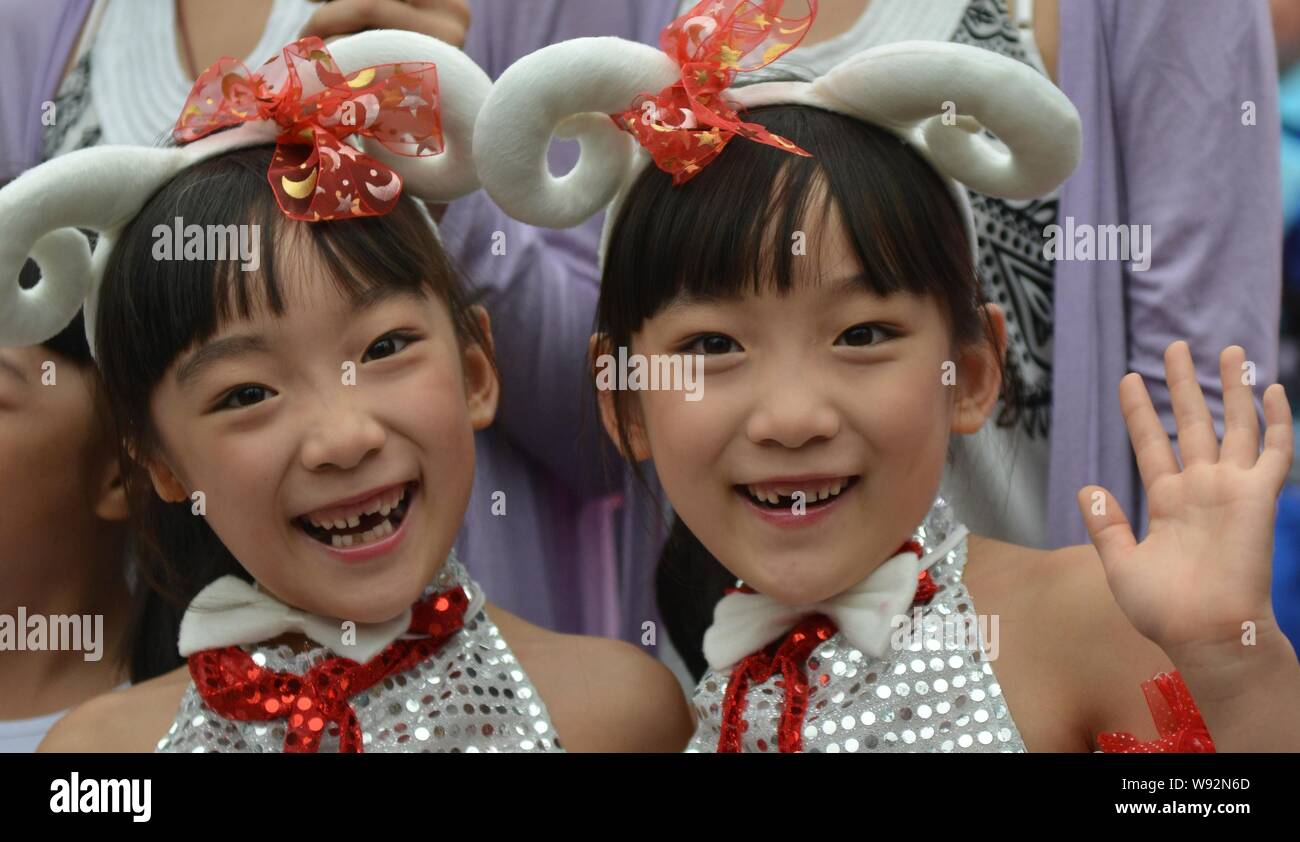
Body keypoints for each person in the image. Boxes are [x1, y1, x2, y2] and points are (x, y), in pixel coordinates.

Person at [473, 0, 1300, 751]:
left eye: (862, 334)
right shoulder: (701, 714)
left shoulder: (1088, 620)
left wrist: (1230, 662)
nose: (792, 416)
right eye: (716, 346)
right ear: (624, 399)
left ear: (972, 370)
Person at [8, 31, 690, 752]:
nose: (343, 438)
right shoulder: (98, 760)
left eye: (384, 348)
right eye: (246, 394)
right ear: (162, 465)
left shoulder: (620, 716)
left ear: (475, 374)